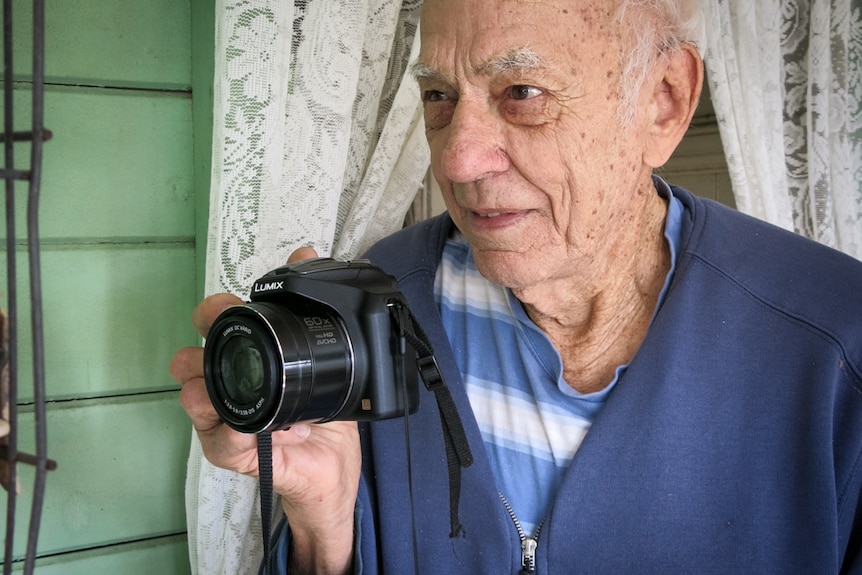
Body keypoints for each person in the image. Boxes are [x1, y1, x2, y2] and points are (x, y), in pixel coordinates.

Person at [170, 0, 862, 573]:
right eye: (439, 95)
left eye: (522, 93)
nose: (460, 157)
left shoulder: (835, 345)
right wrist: (324, 530)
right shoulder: (383, 304)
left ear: (663, 101)